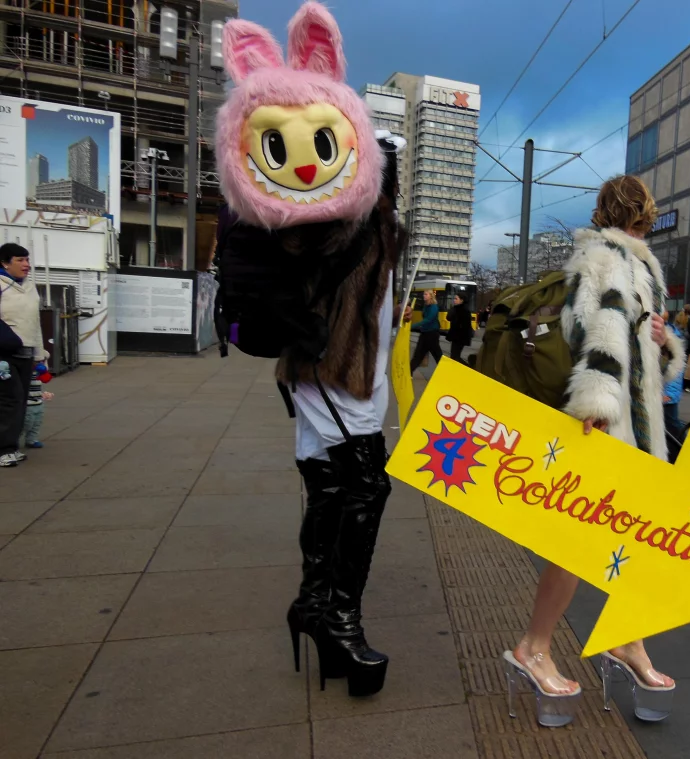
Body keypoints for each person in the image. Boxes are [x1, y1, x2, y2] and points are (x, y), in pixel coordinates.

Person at [215, 4, 406, 698]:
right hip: (329, 369)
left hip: (343, 373)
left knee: (334, 489)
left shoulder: (363, 212)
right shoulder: (320, 217)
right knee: (361, 488)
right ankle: (337, 622)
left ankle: (316, 607)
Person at [507, 175, 684, 726]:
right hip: (610, 424)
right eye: (645, 212)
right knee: (583, 542)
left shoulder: (640, 264)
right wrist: (597, 408)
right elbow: (597, 332)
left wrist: (664, 342)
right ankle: (533, 647)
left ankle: (627, 641)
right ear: (638, 212)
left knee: (636, 540)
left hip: (637, 423)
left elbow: (643, 345)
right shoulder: (606, 257)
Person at [0, 243, 46, 468]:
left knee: (20, 401)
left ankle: (11, 446)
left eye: (27, 260)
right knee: (10, 399)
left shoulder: (29, 287)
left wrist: (39, 354)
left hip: (26, 353)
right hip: (4, 354)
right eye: (20, 260)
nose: (26, 265)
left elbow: (34, 322)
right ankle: (4, 449)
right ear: (5, 262)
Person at [663, 311, 689, 462]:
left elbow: (675, 369)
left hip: (665, 397)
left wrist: (669, 394)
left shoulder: (670, 337)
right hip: (658, 396)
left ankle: (688, 456)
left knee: (672, 426)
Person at [409, 290, 442, 374]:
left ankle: (445, 373)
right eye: (424, 294)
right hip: (424, 333)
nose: (424, 295)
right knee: (418, 354)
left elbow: (428, 319)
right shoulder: (425, 306)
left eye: (426, 294)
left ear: (431, 296)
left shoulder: (434, 307)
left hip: (432, 334)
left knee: (437, 355)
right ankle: (409, 372)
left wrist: (413, 326)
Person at [446, 293, 473, 364]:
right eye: (454, 299)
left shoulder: (465, 310)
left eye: (456, 299)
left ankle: (469, 368)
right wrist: (452, 308)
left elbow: (465, 325)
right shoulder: (455, 308)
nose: (454, 300)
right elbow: (448, 318)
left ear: (461, 300)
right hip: (456, 336)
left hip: (461, 337)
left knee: (455, 357)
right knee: (454, 356)